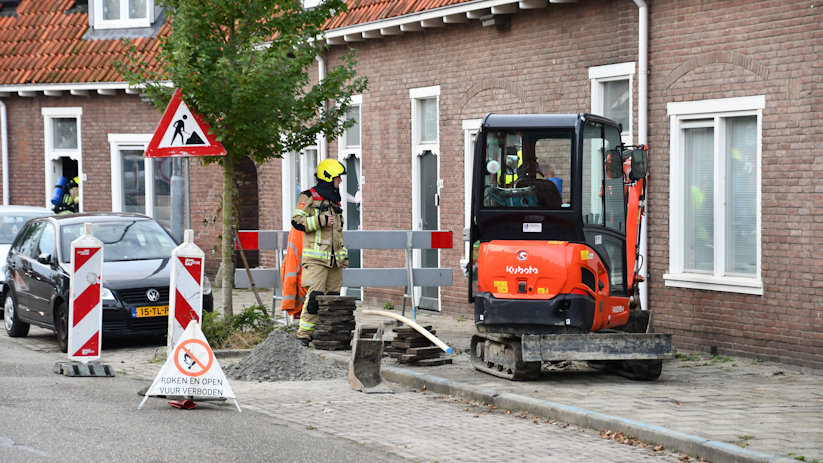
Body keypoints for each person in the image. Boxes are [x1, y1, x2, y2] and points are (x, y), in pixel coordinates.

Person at [291, 159, 349, 346]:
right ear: (328, 177)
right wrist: (320, 220)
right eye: (337, 177)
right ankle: (303, 336)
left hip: (334, 262)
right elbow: (297, 221)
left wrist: (343, 257)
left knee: (332, 301)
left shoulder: (335, 201)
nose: (340, 181)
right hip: (316, 261)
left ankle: (326, 336)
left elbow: (338, 234)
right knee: (315, 298)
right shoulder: (308, 197)